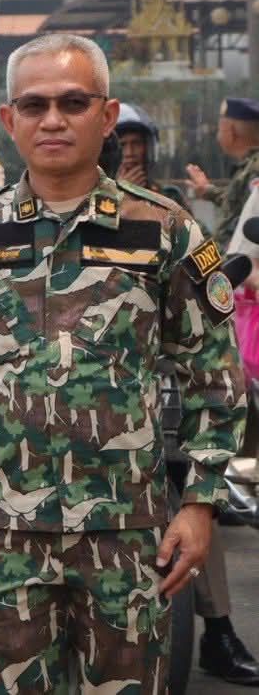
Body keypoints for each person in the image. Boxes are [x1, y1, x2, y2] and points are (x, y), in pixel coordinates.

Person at [0, 33, 245, 693]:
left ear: (106, 114)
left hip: (127, 534)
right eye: (34, 105)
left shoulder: (162, 229)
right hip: (3, 537)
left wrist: (201, 502)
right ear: (9, 119)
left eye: (73, 102)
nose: (53, 120)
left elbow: (215, 374)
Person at [108, 104, 259, 686]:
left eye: (136, 145)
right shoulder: (48, 217)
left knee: (198, 501)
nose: (129, 155)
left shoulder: (171, 213)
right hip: (78, 410)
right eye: (120, 145)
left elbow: (209, 282)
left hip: (160, 382)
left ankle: (218, 629)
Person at [187, 96, 259, 246]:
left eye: (220, 128)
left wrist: (184, 218)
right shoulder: (249, 167)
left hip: (238, 258)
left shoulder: (254, 170)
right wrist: (207, 190)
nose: (217, 134)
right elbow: (238, 203)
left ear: (230, 131)